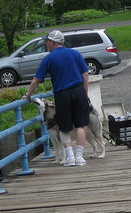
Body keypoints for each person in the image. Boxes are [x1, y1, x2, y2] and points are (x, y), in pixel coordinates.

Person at [24, 30, 91, 166]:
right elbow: (85, 75)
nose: (46, 43)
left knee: (64, 127)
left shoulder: (48, 58)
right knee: (80, 126)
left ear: (53, 42)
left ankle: (70, 157)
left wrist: (28, 95)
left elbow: (37, 79)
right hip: (78, 91)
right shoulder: (75, 53)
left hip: (62, 94)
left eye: (47, 41)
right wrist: (85, 93)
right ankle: (79, 156)